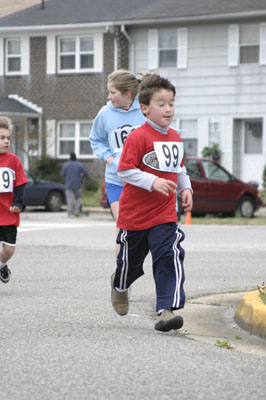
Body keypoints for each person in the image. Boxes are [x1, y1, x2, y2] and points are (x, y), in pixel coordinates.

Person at [111, 74, 193, 332]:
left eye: (171, 103)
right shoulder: (138, 136)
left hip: (164, 214)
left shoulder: (175, 137)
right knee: (129, 265)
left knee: (169, 254)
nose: (168, 109)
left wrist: (186, 187)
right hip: (135, 217)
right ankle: (120, 285)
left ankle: (166, 311)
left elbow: (179, 168)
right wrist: (152, 181)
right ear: (145, 108)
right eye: (161, 103)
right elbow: (124, 170)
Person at [89, 69, 146, 254]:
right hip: (116, 180)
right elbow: (95, 140)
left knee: (142, 231)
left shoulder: (145, 111)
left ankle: (131, 267)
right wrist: (110, 158)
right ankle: (121, 278)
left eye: (113, 93)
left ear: (127, 94)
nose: (109, 96)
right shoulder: (105, 113)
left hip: (142, 181)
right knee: (123, 227)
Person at [0, 116, 28, 284]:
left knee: (9, 249)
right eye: (2, 138)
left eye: (8, 138)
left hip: (9, 211)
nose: (6, 141)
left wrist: (17, 203)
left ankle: (2, 264)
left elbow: (20, 183)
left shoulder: (13, 160)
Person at [61, 152, 88, 217]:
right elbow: (86, 173)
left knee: (69, 199)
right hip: (78, 185)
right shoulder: (79, 164)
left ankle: (70, 213)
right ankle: (76, 211)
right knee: (78, 198)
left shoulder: (66, 165)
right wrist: (82, 177)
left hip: (69, 185)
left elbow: (62, 174)